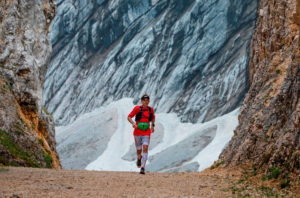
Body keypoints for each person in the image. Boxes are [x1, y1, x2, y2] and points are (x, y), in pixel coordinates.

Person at [127, 94, 155, 174]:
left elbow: (153, 117)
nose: (146, 102)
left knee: (145, 148)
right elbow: (129, 116)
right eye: (144, 101)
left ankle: (142, 167)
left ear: (149, 101)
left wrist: (152, 125)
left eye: (147, 101)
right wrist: (133, 123)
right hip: (137, 132)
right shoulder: (137, 109)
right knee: (139, 150)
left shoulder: (150, 110)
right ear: (142, 101)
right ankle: (139, 158)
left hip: (146, 132)